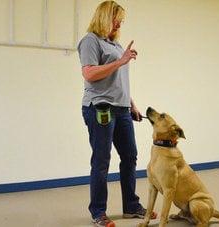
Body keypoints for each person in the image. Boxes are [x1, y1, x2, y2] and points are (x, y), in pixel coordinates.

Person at [77, 1, 156, 227]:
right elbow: (89, 73)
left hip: (121, 108)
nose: (119, 22)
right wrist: (120, 60)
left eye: (121, 19)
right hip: (100, 108)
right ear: (104, 17)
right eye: (116, 18)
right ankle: (98, 212)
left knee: (130, 156)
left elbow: (118, 80)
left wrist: (131, 104)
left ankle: (131, 206)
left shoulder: (115, 43)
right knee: (101, 161)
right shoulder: (90, 40)